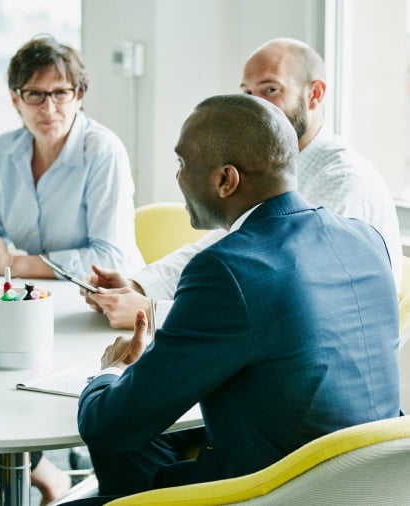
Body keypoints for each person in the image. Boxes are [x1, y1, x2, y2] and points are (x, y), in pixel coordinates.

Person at [70, 94, 401, 504]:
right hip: (366, 486)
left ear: (226, 180)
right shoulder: (366, 239)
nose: (178, 179)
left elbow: (108, 426)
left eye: (182, 165)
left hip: (266, 494)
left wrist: (112, 371)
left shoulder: (226, 270)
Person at [84, 38, 402, 329]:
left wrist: (153, 312)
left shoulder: (342, 182)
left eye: (270, 90)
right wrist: (138, 286)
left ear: (315, 94)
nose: (254, 106)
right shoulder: (268, 168)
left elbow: (285, 303)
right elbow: (221, 245)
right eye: (248, 93)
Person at [0, 35, 143, 283]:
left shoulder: (102, 151)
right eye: (35, 94)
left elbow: (109, 257)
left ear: (78, 96)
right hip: (40, 291)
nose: (48, 109)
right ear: (16, 100)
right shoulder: (7, 148)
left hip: (106, 297)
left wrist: (13, 264)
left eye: (60, 93)